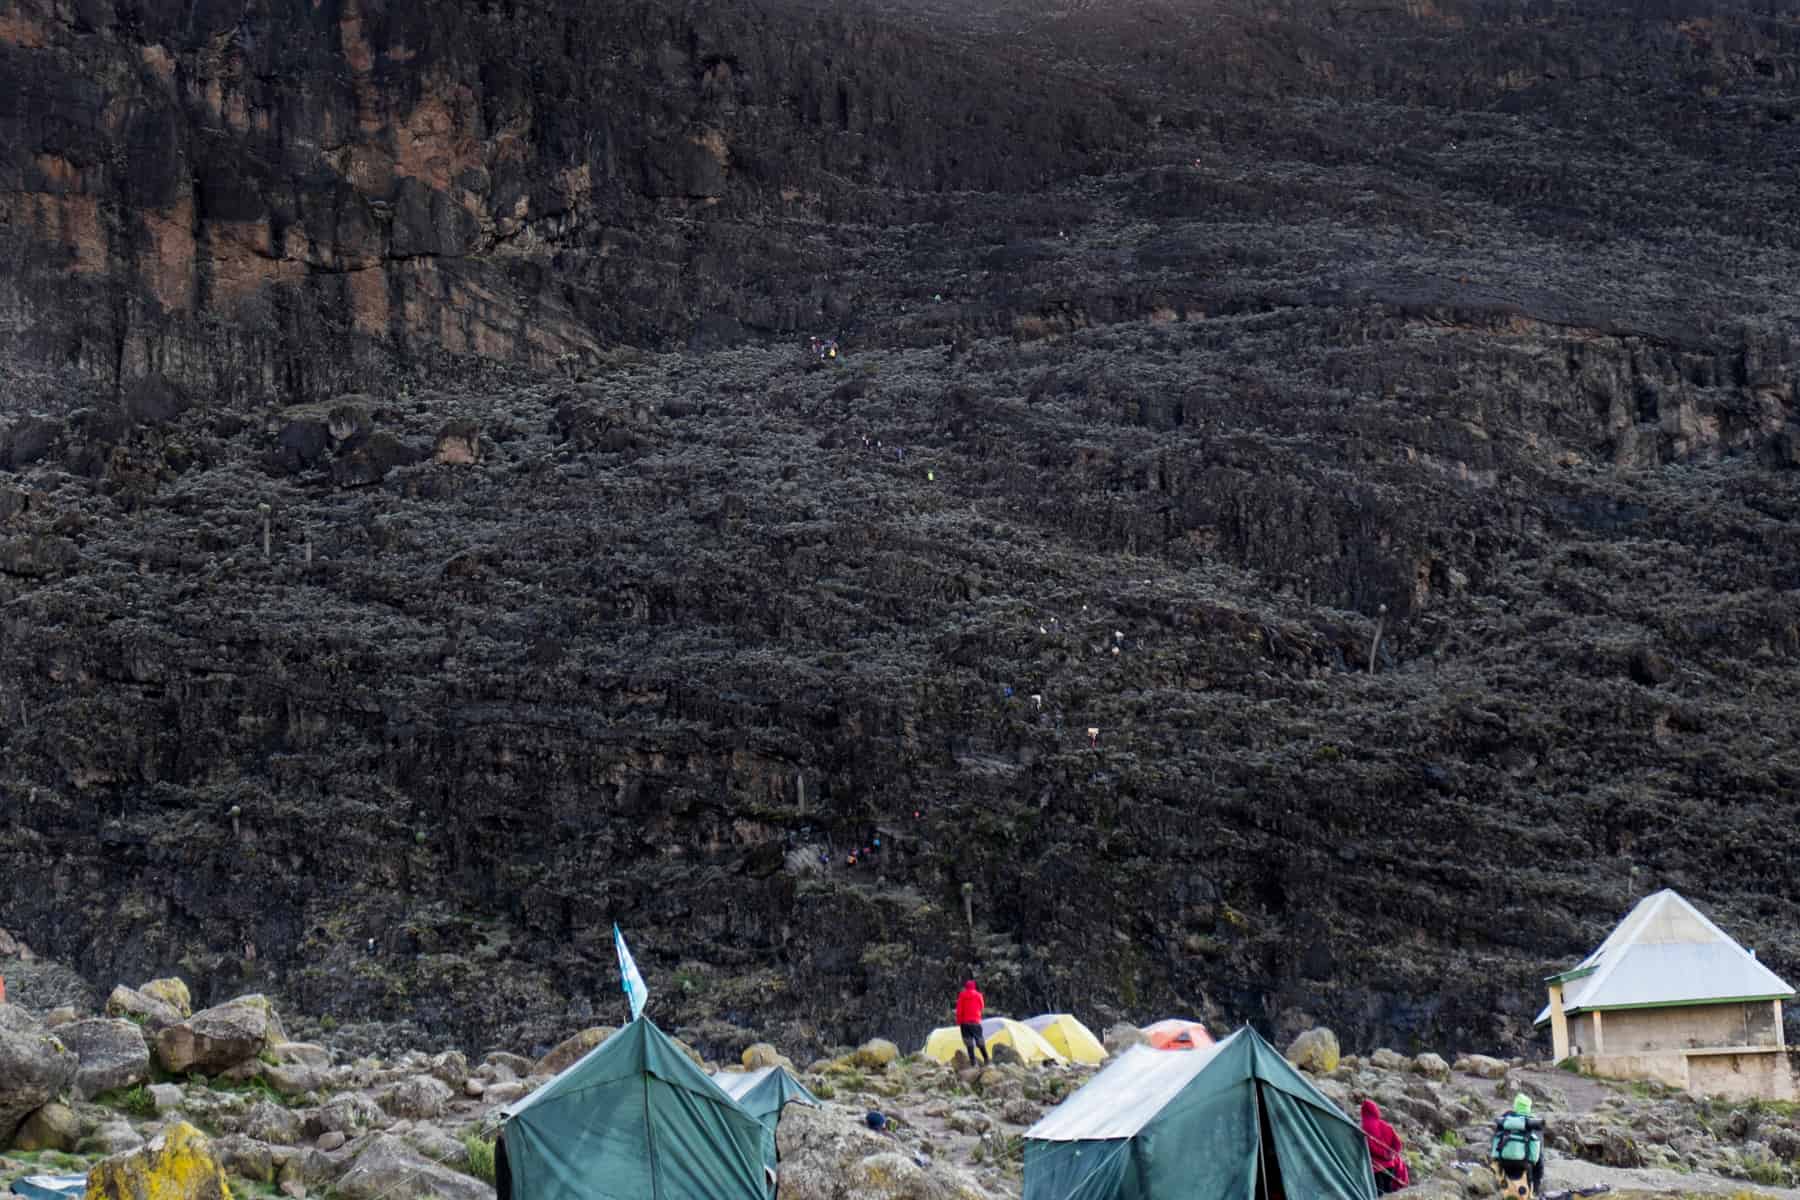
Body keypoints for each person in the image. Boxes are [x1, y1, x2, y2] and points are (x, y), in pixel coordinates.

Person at [1490, 1093, 1545, 1196]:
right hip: (1525, 1167)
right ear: (1529, 1108)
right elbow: (1539, 1159)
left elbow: (1495, 1145)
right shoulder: (1533, 1124)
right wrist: (1536, 1187)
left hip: (1503, 1164)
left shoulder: (1505, 1121)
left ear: (1515, 1106)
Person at [1360, 1100, 1408, 1194]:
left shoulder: (1364, 1127)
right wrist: (1391, 1154)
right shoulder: (1386, 1126)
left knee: (1378, 1193)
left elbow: (1370, 1147)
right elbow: (1398, 1144)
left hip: (1375, 1168)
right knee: (1388, 1191)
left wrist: (1383, 1154)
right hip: (1390, 1165)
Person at [955, 979, 989, 1065]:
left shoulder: (962, 995)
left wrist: (959, 1021)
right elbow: (982, 1006)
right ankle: (986, 1059)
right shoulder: (978, 995)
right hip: (975, 1022)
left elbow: (959, 1010)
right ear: (974, 987)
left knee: (969, 1042)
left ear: (966, 987)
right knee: (980, 1041)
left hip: (965, 1023)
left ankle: (973, 1062)